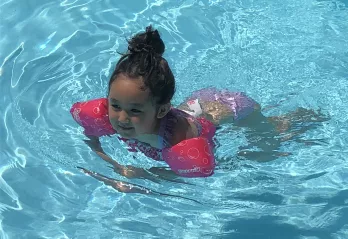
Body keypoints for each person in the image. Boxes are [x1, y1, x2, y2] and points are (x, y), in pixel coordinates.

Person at [70, 25, 328, 181]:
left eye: (134, 110)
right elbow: (90, 138)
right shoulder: (105, 114)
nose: (121, 118)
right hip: (196, 106)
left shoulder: (179, 143)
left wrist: (142, 175)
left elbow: (184, 176)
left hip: (229, 109)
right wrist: (112, 164)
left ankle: (309, 116)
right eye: (115, 105)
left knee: (269, 146)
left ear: (161, 110)